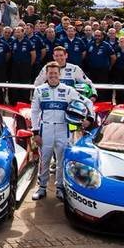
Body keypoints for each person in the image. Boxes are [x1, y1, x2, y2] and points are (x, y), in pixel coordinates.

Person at [31, 62, 87, 201]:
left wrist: (89, 119)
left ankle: (60, 188)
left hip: (63, 129)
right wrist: (35, 132)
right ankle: (42, 187)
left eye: (55, 73)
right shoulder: (39, 90)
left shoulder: (68, 90)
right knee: (44, 160)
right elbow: (34, 112)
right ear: (47, 74)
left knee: (62, 160)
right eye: (50, 73)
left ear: (59, 74)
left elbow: (87, 102)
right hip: (46, 129)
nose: (53, 75)